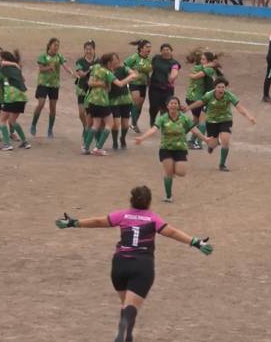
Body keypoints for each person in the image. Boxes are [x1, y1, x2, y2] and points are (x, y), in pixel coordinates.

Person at [55, 186, 213, 342]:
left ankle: (128, 335)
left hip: (120, 264)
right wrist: (195, 242)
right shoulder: (153, 218)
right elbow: (171, 232)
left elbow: (98, 221)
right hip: (142, 265)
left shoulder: (122, 215)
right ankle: (123, 326)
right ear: (149, 202)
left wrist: (73, 223)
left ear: (131, 201)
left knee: (125, 304)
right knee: (132, 307)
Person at [135, 97, 211, 202]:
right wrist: (141, 138)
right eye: (171, 103)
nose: (173, 105)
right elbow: (154, 129)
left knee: (181, 172)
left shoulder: (184, 118)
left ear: (178, 106)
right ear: (167, 106)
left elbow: (194, 130)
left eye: (175, 103)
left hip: (180, 148)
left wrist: (205, 139)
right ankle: (168, 196)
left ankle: (172, 169)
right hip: (166, 148)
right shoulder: (163, 118)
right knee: (168, 173)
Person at [188, 77, 256, 172]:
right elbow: (200, 102)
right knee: (213, 143)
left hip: (225, 119)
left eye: (223, 87)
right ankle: (211, 147)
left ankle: (222, 164)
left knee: (225, 140)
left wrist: (249, 116)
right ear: (215, 87)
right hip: (211, 121)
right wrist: (188, 108)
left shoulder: (229, 95)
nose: (221, 89)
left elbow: (239, 107)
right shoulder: (209, 95)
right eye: (219, 87)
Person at [83, 53, 137, 156]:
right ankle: (98, 148)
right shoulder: (108, 73)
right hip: (102, 102)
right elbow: (120, 84)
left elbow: (89, 81)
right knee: (109, 124)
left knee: (96, 124)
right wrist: (130, 78)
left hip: (91, 101)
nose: (114, 64)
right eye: (112, 62)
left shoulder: (96, 67)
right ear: (108, 63)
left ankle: (86, 147)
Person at [30, 38, 69, 138]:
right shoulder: (42, 56)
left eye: (58, 45)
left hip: (54, 84)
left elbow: (65, 65)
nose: (56, 47)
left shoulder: (59, 56)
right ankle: (33, 124)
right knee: (41, 104)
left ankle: (50, 129)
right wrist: (49, 67)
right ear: (49, 45)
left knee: (53, 107)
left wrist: (71, 72)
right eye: (55, 45)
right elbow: (41, 69)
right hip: (43, 84)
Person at [0, 50, 31, 151]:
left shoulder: (5, 67)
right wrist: (16, 65)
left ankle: (7, 144)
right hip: (22, 96)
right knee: (12, 121)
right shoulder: (17, 69)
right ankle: (25, 142)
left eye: (0, 58)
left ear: (4, 59)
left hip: (12, 96)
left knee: (2, 120)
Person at [184, 50, 216, 149]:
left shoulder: (206, 69)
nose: (202, 61)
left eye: (203, 59)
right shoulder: (207, 68)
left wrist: (193, 75)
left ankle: (188, 139)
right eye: (201, 59)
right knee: (201, 121)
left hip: (196, 97)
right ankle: (197, 142)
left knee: (196, 121)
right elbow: (196, 73)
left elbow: (195, 73)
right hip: (199, 98)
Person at [148, 44, 181, 127]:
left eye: (167, 50)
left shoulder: (174, 63)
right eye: (163, 50)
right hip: (154, 86)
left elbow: (175, 71)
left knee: (165, 107)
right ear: (161, 51)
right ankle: (152, 120)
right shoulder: (156, 58)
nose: (165, 51)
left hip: (167, 88)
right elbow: (150, 68)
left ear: (171, 50)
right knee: (153, 106)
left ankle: (162, 123)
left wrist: (172, 77)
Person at [125, 40, 153, 133]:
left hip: (143, 84)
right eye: (147, 47)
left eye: (150, 47)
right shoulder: (134, 57)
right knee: (136, 101)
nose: (149, 49)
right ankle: (130, 119)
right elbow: (125, 65)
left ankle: (134, 123)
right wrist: (131, 72)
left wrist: (149, 81)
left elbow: (147, 72)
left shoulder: (149, 60)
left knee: (139, 105)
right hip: (134, 83)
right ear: (141, 48)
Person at [74, 40, 97, 149]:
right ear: (84, 50)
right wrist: (89, 70)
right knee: (81, 112)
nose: (88, 51)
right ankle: (85, 126)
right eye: (86, 49)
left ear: (94, 50)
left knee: (89, 115)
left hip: (93, 90)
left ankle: (87, 134)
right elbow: (81, 74)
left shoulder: (98, 61)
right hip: (82, 89)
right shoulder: (80, 61)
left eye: (90, 49)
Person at [109, 63, 137, 150]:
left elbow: (134, 74)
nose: (114, 62)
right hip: (113, 101)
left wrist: (126, 80)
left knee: (125, 124)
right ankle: (114, 141)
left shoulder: (123, 69)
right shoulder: (106, 71)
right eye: (112, 60)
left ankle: (123, 138)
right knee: (116, 124)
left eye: (116, 60)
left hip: (126, 101)